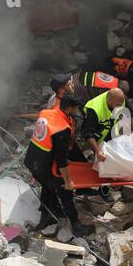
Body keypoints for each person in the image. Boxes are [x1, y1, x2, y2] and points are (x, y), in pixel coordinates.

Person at [24, 94, 94, 236]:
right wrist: (68, 181)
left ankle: (46, 216)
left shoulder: (46, 113)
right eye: (75, 108)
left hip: (32, 160)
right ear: (69, 108)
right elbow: (61, 160)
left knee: (47, 187)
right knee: (65, 193)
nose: (76, 111)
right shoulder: (62, 129)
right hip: (45, 166)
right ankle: (76, 225)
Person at [82, 88, 133, 201]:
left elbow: (131, 112)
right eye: (118, 104)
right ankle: (103, 190)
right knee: (103, 161)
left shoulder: (120, 99)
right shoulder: (94, 109)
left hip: (111, 133)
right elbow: (88, 134)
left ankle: (113, 179)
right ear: (110, 101)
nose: (121, 106)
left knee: (113, 159)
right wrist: (98, 151)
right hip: (97, 135)